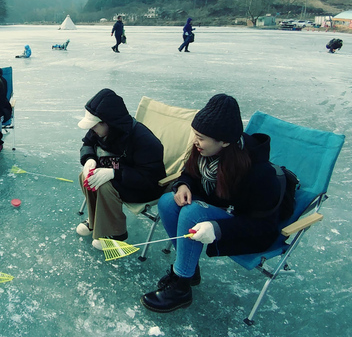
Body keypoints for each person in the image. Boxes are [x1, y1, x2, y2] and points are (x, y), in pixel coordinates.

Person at [140, 94, 282, 313]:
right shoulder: (205, 153)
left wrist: (218, 228)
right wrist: (183, 185)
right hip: (219, 211)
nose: (195, 141)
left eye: (201, 137)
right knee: (168, 202)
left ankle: (181, 287)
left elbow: (265, 226)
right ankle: (189, 268)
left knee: (193, 212)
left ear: (225, 141)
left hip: (246, 227)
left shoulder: (259, 173)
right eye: (195, 134)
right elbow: (188, 174)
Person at [76, 89, 165, 250]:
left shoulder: (144, 140)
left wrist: (114, 173)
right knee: (86, 175)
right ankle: (95, 220)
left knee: (103, 185)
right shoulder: (101, 131)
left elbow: (149, 179)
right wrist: (89, 159)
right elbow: (87, 144)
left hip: (142, 187)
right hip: (118, 174)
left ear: (107, 122)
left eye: (94, 126)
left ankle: (116, 233)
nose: (92, 130)